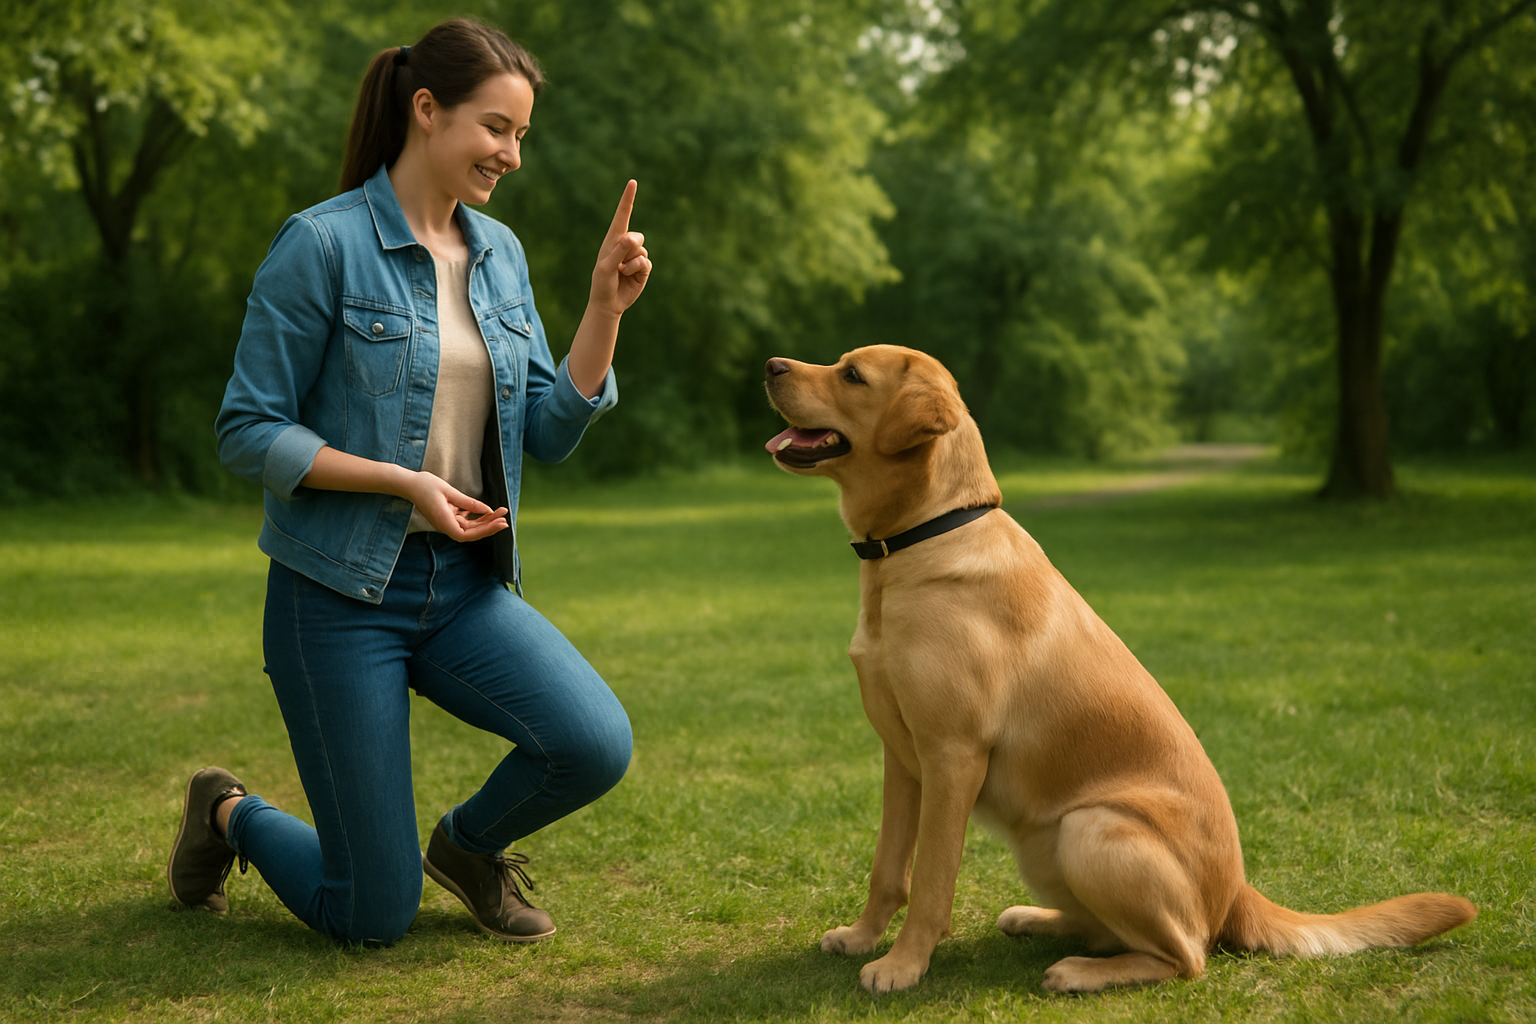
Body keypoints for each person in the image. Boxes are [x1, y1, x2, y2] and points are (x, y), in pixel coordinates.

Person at [167, 16, 650, 946]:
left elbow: (547, 432)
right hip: (337, 597)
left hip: (463, 590)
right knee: (371, 915)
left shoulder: (500, 254)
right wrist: (402, 482)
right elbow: (247, 429)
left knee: (593, 743)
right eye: (495, 127)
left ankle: (467, 849)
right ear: (427, 109)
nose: (511, 154)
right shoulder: (321, 245)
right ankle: (227, 811)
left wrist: (604, 309)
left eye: (521, 134)